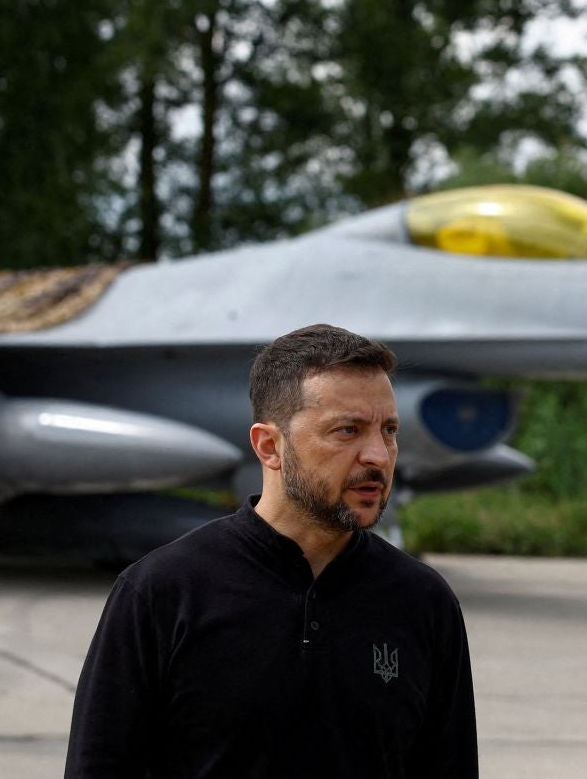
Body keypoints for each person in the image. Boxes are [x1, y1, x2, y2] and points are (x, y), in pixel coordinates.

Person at [65, 324, 478, 777]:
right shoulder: (161, 593)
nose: (378, 455)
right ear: (269, 446)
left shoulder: (424, 603)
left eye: (389, 430)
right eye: (348, 431)